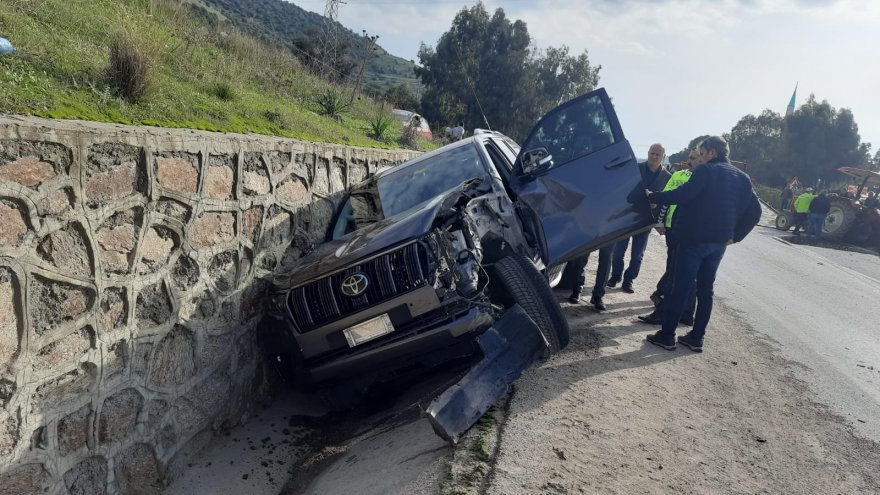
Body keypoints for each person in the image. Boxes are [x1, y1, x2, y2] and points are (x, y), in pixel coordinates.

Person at [644, 136, 762, 352]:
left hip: (693, 239)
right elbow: (756, 212)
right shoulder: (743, 178)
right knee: (706, 290)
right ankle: (696, 338)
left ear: (712, 152)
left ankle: (667, 335)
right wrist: (735, 236)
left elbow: (683, 194)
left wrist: (655, 196)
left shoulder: (706, 171)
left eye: (701, 151)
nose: (699, 155)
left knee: (681, 287)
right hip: (718, 244)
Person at [638, 150, 699, 325]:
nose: (688, 161)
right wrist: (660, 221)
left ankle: (664, 309)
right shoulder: (679, 174)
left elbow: (674, 196)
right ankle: (686, 314)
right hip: (673, 227)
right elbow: (668, 197)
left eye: (694, 158)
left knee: (675, 272)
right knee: (680, 271)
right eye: (689, 157)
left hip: (686, 231)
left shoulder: (701, 179)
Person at [607, 143, 671, 293]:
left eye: (658, 154)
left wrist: (659, 216)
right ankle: (615, 276)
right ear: (648, 152)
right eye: (652, 153)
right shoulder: (635, 168)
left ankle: (629, 280)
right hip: (628, 216)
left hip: (647, 220)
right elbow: (623, 189)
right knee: (618, 251)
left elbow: (667, 200)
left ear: (663, 157)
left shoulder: (667, 177)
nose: (654, 157)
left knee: (637, 255)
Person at [567, 244, 615, 311]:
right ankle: (577, 289)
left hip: (609, 234)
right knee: (582, 256)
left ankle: (597, 296)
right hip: (590, 233)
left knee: (606, 259)